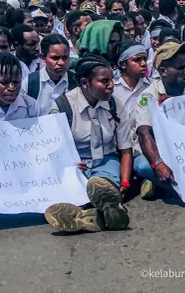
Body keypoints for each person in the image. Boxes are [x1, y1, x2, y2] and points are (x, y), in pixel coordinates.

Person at [45, 53, 132, 233]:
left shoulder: (115, 105)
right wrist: (71, 164)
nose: (111, 86)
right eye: (104, 81)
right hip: (75, 164)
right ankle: (100, 216)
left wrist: (124, 184)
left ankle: (89, 213)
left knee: (101, 185)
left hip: (106, 161)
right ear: (85, 83)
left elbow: (125, 149)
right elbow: (54, 150)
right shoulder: (62, 107)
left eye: (111, 80)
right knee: (75, 188)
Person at [135, 42, 185, 198]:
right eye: (180, 68)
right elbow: (145, 133)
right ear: (163, 72)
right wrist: (157, 163)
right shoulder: (148, 97)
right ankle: (159, 179)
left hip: (182, 149)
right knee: (143, 166)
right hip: (156, 150)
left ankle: (161, 184)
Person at [22, 34, 77, 115]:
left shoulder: (75, 82)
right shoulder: (30, 83)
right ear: (43, 58)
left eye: (65, 57)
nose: (61, 63)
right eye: (55, 58)